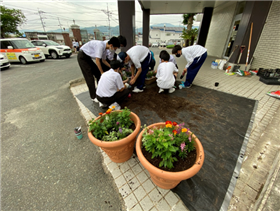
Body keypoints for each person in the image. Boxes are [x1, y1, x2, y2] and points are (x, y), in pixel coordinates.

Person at [77, 37, 120, 103]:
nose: (115, 49)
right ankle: (93, 97)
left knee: (97, 74)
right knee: (89, 77)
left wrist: (112, 67)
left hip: (88, 57)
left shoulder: (105, 49)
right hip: (82, 56)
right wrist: (102, 72)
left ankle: (100, 92)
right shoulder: (100, 46)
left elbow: (104, 60)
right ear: (111, 45)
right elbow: (97, 61)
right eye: (115, 48)